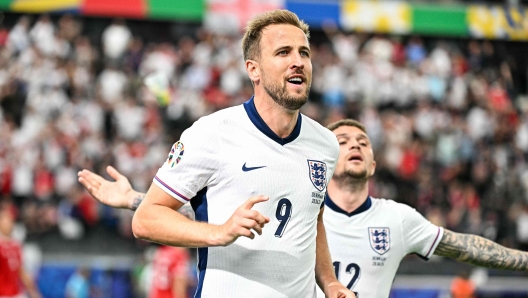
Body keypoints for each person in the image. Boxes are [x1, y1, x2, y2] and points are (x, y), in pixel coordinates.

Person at [81, 119, 528, 298]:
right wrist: (133, 200)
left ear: (373, 162)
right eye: (343, 140)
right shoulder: (302, 210)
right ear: (321, 162)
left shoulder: (399, 219)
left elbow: (461, 246)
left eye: (363, 142)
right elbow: (204, 220)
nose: (352, 145)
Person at [80, 10, 353, 298]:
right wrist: (219, 232)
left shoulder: (326, 144)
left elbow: (312, 219)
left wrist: (330, 282)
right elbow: (147, 219)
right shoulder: (213, 133)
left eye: (304, 53)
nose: (298, 62)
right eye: (283, 52)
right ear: (253, 69)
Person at [0, 201, 42, 298]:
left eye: (10, 220)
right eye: (6, 220)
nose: (9, 223)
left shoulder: (16, 245)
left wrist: (34, 292)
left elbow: (21, 271)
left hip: (16, 293)